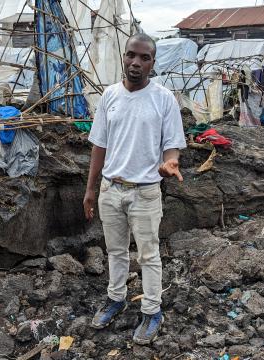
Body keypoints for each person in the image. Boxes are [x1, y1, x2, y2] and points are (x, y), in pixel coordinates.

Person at [82, 33, 186, 345]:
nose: (136, 63)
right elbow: (99, 146)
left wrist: (171, 163)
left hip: (145, 191)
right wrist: (91, 189)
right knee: (114, 251)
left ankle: (153, 310)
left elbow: (172, 146)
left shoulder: (164, 99)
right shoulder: (109, 97)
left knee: (148, 254)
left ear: (153, 62)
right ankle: (115, 299)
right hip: (111, 190)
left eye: (144, 58)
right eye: (131, 55)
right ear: (124, 56)